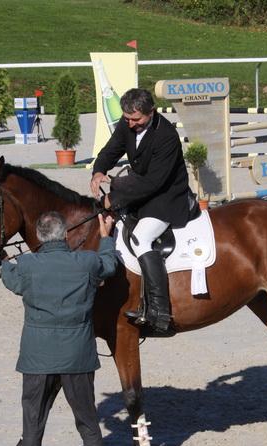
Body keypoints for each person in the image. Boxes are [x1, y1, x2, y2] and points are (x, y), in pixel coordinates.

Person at [1, 211, 117, 446]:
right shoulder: (86, 262)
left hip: (38, 357)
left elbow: (11, 281)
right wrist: (106, 238)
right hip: (78, 354)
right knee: (88, 422)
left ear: (40, 237)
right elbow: (109, 264)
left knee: (33, 423)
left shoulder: (27, 265)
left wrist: (3, 261)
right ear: (65, 234)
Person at [90, 88, 199, 335]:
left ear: (151, 112)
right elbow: (111, 149)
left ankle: (159, 311)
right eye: (127, 119)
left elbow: (153, 183)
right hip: (141, 190)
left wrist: (113, 197)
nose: (131, 124)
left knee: (141, 238)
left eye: (136, 119)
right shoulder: (128, 123)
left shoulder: (167, 136)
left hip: (167, 196)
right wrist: (99, 170)